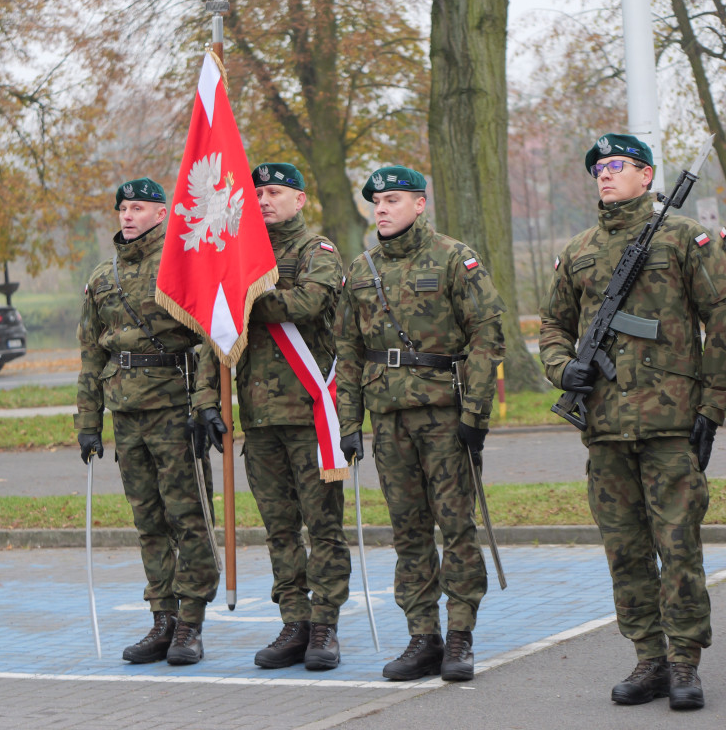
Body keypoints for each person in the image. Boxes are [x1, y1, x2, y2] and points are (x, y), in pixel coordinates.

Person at [539, 134, 726, 711]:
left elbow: (720, 316)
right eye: (597, 167)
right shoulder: (578, 249)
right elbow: (552, 326)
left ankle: (684, 663)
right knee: (625, 550)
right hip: (606, 426)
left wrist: (712, 406)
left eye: (616, 165)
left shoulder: (683, 237)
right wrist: (563, 368)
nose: (603, 174)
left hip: (671, 424)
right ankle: (648, 658)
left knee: (679, 547)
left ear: (647, 175)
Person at [334, 165, 505, 682]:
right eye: (376, 201)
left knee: (455, 527)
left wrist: (475, 414)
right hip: (387, 421)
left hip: (444, 416)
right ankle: (422, 636)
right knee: (408, 532)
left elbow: (486, 336)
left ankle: (459, 636)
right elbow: (347, 351)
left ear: (420, 204)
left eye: (393, 200)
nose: (381, 208)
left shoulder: (455, 258)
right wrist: (348, 422)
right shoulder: (360, 271)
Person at [205, 162, 352, 671]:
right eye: (257, 193)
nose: (264, 200)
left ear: (300, 199)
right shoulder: (239, 256)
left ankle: (325, 626)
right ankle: (295, 623)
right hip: (260, 419)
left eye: (274, 192)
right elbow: (217, 336)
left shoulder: (318, 251)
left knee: (323, 526)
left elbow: (307, 303)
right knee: (280, 529)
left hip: (310, 413)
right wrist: (208, 401)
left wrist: (243, 296)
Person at [75, 177, 221, 666]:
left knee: (188, 517)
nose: (128, 215)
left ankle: (191, 622)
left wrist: (206, 403)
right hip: (126, 415)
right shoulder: (102, 278)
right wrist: (88, 421)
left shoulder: (183, 266)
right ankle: (162, 617)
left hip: (174, 410)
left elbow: (209, 341)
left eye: (139, 207)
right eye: (123, 208)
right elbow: (91, 356)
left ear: (162, 213)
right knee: (148, 521)